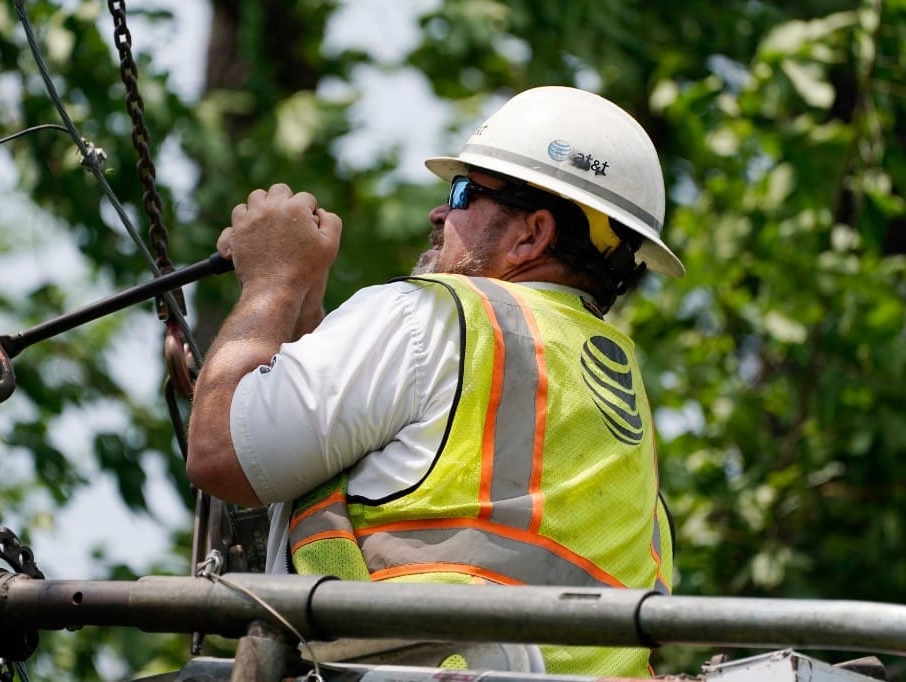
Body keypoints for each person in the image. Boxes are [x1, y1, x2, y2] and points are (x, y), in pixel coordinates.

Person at [186, 85, 684, 677]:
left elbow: (221, 452)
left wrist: (271, 282)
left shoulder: (436, 315)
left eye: (463, 193)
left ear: (532, 235)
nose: (439, 214)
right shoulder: (624, 416)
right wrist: (301, 309)